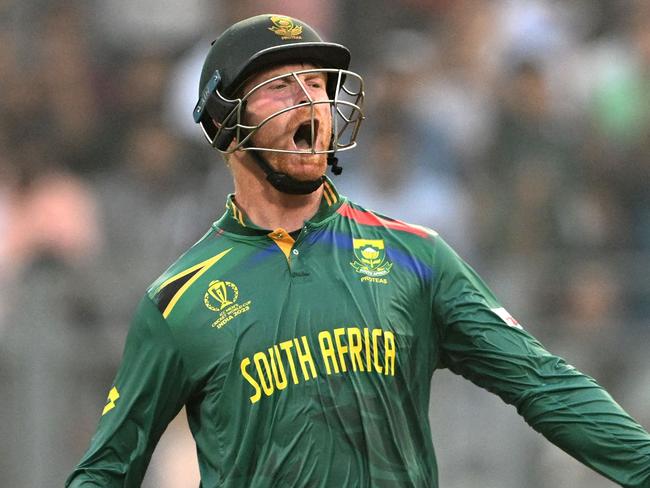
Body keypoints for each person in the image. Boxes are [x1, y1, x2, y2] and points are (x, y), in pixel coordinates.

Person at [66, 14, 650, 488]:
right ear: (224, 120)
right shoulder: (178, 302)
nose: (310, 105)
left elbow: (543, 383)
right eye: (278, 88)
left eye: (317, 85)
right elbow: (108, 468)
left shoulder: (417, 256)